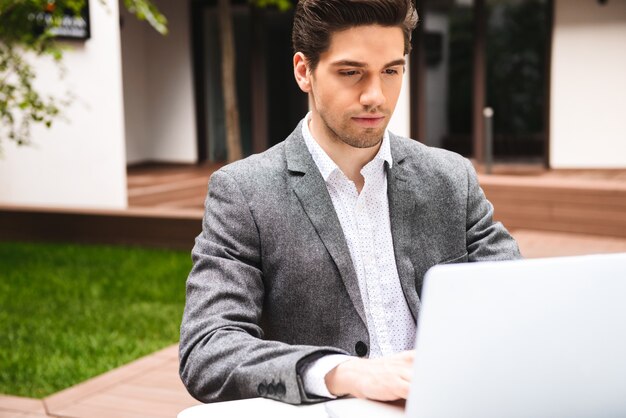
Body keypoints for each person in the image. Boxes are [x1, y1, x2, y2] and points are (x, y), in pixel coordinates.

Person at [179, 0, 521, 406]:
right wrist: (341, 373)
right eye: (350, 72)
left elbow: (518, 300)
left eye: (391, 71)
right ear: (304, 71)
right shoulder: (243, 192)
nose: (375, 96)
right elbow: (208, 348)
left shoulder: (450, 177)